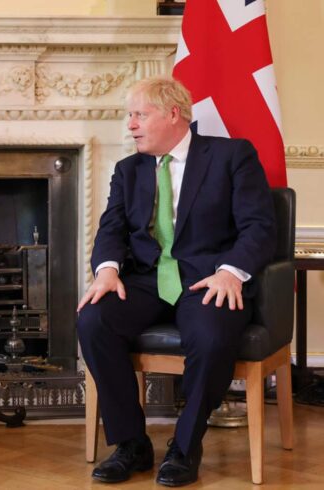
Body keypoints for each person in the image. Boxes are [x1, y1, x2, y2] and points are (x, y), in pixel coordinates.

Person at [76, 76, 276, 486]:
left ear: (173, 114)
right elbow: (111, 229)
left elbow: (259, 227)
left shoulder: (231, 156)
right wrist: (108, 269)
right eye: (128, 115)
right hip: (148, 279)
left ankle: (185, 446)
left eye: (139, 115)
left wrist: (230, 272)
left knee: (211, 334)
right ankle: (132, 444)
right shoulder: (128, 170)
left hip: (208, 279)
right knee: (93, 319)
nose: (130, 125)